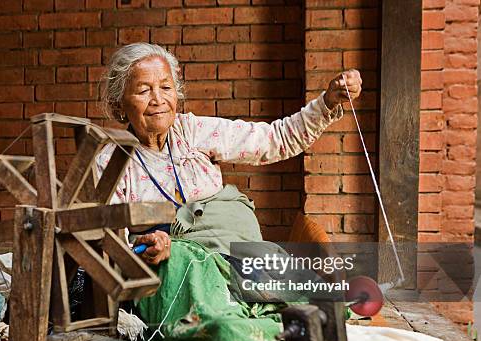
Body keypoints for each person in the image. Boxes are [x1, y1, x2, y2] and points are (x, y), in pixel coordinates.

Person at [96, 42, 362, 266]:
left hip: (235, 256)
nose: (158, 99)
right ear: (119, 102)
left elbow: (275, 140)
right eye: (144, 90)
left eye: (166, 88)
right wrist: (147, 248)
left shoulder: (194, 131)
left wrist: (328, 102)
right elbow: (108, 248)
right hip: (176, 273)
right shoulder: (109, 162)